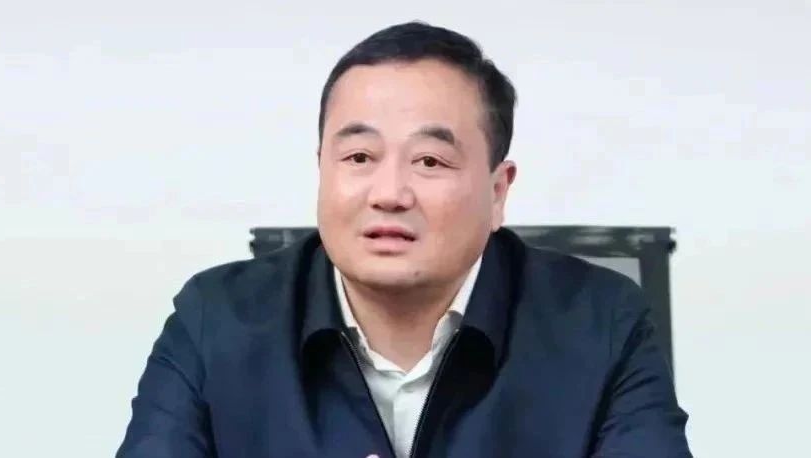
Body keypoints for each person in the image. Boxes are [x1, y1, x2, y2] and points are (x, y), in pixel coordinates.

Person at [117, 21, 691, 458]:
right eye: (358, 157)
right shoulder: (215, 321)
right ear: (322, 169)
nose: (389, 193)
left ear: (498, 191)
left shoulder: (602, 323)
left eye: (429, 161)